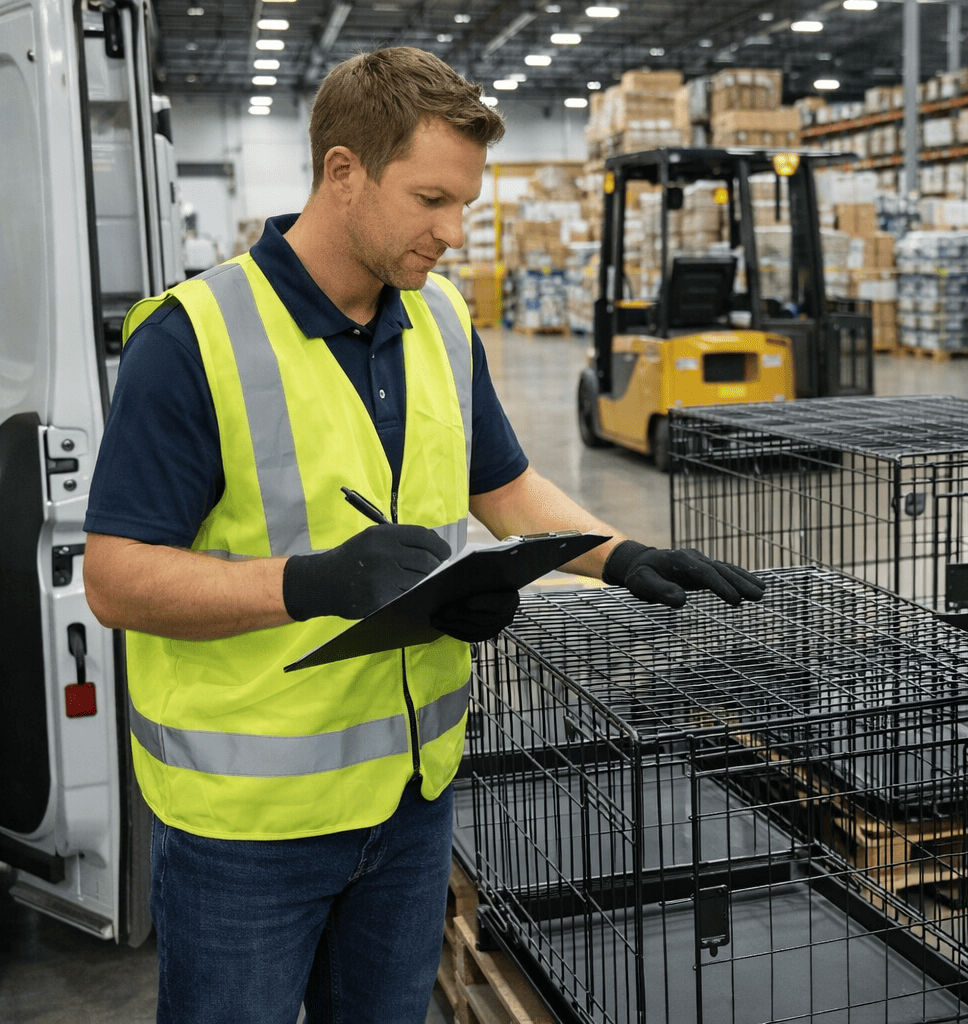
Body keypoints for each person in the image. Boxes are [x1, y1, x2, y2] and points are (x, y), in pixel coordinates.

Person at [81, 47, 763, 1024]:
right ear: (343, 172)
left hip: (410, 807)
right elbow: (116, 579)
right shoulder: (195, 340)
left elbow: (506, 486)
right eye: (431, 200)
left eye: (465, 207)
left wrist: (619, 555)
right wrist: (310, 582)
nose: (453, 234)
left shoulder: (439, 320)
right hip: (249, 832)